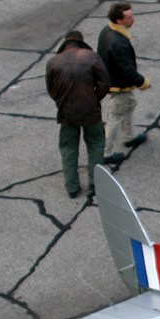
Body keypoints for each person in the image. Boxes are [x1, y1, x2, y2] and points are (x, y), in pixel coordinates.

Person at [45, 30, 109, 198]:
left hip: (67, 112)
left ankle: (72, 187)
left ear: (65, 43)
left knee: (68, 147)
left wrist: (63, 102)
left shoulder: (53, 62)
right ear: (81, 42)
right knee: (96, 143)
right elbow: (104, 84)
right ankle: (96, 183)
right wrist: (94, 99)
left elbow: (52, 91)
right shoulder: (91, 57)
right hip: (90, 110)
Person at [97, 2, 151, 150]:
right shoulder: (119, 43)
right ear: (119, 21)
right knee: (114, 118)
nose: (133, 20)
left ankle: (129, 136)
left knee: (129, 105)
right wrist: (143, 82)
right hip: (119, 85)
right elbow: (126, 69)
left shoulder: (106, 31)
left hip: (111, 79)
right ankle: (105, 153)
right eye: (128, 17)